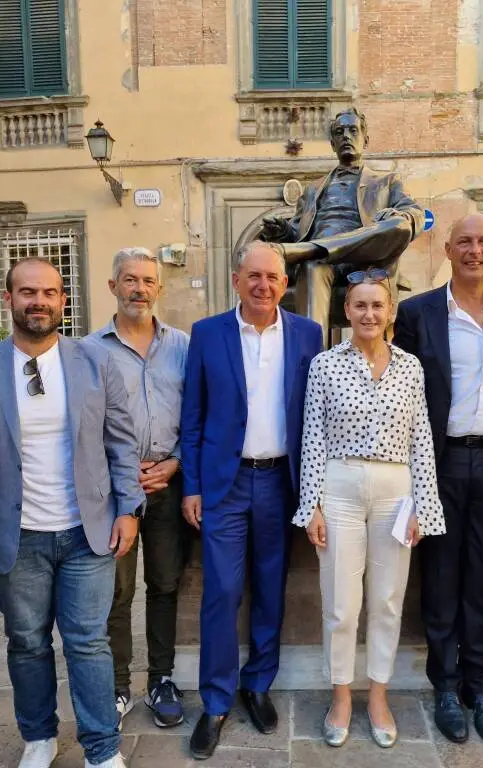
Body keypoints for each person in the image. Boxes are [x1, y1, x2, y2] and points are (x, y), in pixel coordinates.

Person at [0, 257, 144, 768]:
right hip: (16, 538)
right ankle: (38, 737)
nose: (38, 301)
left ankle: (102, 749)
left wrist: (129, 508)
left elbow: (122, 442)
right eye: (27, 292)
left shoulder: (94, 361)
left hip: (88, 531)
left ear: (64, 300)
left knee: (88, 642)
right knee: (27, 642)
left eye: (49, 293)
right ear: (9, 298)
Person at [392, 212, 483, 748]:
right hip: (440, 460)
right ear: (447, 250)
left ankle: (481, 685)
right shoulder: (418, 312)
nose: (475, 250)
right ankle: (445, 687)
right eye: (465, 242)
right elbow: (400, 384)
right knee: (441, 575)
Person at [180, 241, 323, 760]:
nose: (263, 285)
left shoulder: (307, 334)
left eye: (273, 278)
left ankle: (257, 684)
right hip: (226, 483)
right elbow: (192, 417)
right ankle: (216, 701)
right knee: (221, 592)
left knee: (271, 588)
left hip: (281, 481)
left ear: (285, 285)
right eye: (254, 276)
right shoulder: (208, 334)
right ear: (236, 279)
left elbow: (317, 414)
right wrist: (192, 485)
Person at [295, 269, 445, 749]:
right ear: (347, 311)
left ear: (390, 313)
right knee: (341, 603)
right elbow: (312, 437)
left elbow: (422, 439)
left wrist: (425, 505)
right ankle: (341, 694)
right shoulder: (325, 365)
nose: (368, 313)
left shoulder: (410, 367)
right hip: (337, 486)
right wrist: (310, 505)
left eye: (377, 306)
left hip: (395, 489)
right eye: (360, 305)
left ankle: (378, 694)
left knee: (386, 599)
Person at [84, 247, 191, 729]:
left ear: (159, 289)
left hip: (170, 484)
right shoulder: (89, 351)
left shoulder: (184, 347)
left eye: (148, 281)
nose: (139, 289)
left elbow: (198, 414)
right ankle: (117, 685)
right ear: (113, 286)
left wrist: (175, 464)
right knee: (118, 590)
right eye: (129, 280)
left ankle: (162, 678)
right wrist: (124, 474)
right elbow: (86, 427)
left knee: (165, 584)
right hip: (115, 491)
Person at [258, 107, 425, 344]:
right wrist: (283, 232)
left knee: (399, 226)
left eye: (353, 130)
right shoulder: (312, 190)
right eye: (339, 132)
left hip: (367, 260)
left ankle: (312, 249)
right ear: (332, 143)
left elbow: (416, 216)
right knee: (312, 266)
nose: (346, 136)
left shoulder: (387, 181)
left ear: (365, 139)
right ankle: (312, 360)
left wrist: (399, 214)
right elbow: (297, 232)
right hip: (323, 263)